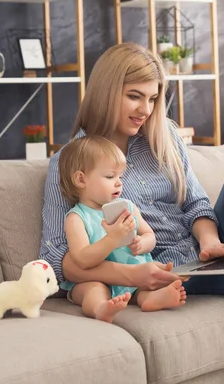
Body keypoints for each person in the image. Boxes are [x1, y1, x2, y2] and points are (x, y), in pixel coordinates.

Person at [39, 42, 224, 384]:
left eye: (152, 98)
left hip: (199, 254)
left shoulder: (164, 136)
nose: (145, 109)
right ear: (106, 92)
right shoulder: (71, 161)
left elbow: (196, 205)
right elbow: (57, 258)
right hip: (166, 272)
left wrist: (209, 243)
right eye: (135, 96)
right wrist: (132, 276)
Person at [56, 135, 186, 323]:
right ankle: (101, 309)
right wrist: (112, 239)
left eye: (120, 176)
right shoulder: (77, 218)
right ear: (81, 179)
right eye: (110, 176)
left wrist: (143, 244)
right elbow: (83, 260)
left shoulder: (128, 207)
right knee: (92, 289)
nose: (119, 182)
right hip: (96, 280)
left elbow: (150, 235)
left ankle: (151, 299)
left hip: (134, 279)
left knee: (146, 286)